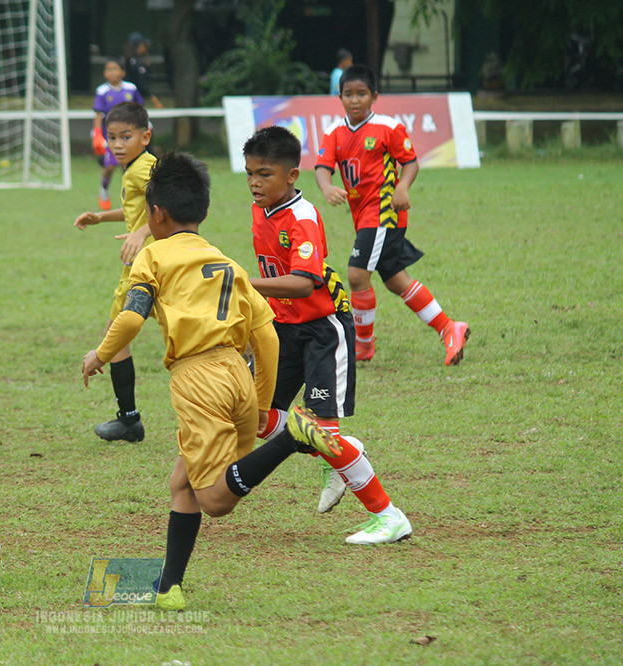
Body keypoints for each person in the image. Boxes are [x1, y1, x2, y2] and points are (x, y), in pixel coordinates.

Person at [82, 151, 342, 611]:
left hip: (198, 380)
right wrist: (261, 404)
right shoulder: (225, 261)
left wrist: (99, 354)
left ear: (156, 214)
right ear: (201, 212)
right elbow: (266, 336)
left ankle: (293, 437)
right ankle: (169, 587)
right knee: (182, 482)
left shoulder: (152, 256)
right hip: (239, 375)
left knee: (216, 501)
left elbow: (131, 318)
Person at [244, 126, 412, 544]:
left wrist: (243, 284)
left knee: (323, 432)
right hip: (282, 330)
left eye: (264, 174)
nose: (254, 183)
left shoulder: (302, 217)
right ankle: (334, 450)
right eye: (249, 173)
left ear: (291, 175)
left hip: (323, 331)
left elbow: (303, 283)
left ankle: (389, 517)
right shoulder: (260, 209)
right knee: (256, 417)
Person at [316, 64, 470, 365]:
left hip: (384, 212)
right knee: (396, 280)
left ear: (374, 96)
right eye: (348, 94)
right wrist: (326, 187)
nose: (355, 100)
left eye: (362, 94)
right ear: (340, 97)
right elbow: (323, 167)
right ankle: (449, 327)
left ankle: (363, 345)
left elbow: (410, 162)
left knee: (357, 274)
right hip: (363, 216)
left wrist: (402, 187)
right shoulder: (333, 132)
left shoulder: (388, 127)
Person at [74, 102, 156, 442]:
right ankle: (128, 419)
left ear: (145, 137)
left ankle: (129, 420)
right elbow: (139, 209)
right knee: (120, 336)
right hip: (150, 262)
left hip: (146, 266)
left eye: (126, 136)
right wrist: (101, 217)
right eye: (112, 137)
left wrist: (142, 233)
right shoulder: (135, 168)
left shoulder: (145, 169)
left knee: (115, 336)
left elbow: (172, 203)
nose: (118, 144)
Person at [91, 57, 144, 211]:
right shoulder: (102, 91)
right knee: (109, 167)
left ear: (122, 72)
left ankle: (127, 198)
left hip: (130, 135)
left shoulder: (131, 89)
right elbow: (98, 115)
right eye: (108, 69)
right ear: (105, 73)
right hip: (111, 137)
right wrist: (97, 134)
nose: (111, 72)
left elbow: (140, 109)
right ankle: (104, 190)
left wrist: (144, 126)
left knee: (128, 168)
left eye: (115, 69)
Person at [124, 32, 163, 110]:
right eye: (144, 45)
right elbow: (141, 82)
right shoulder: (135, 62)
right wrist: (154, 99)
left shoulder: (137, 60)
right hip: (133, 96)